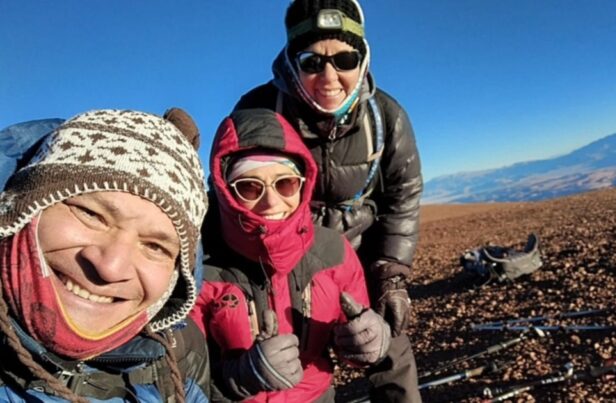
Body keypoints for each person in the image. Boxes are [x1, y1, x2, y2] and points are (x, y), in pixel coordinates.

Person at [233, 1, 423, 401]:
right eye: (311, 61)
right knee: (285, 369)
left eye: (345, 58)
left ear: (363, 58)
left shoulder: (385, 117)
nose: (330, 75)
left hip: (359, 257)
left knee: (389, 350)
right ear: (291, 60)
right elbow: (235, 192)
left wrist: (390, 274)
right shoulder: (259, 112)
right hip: (280, 261)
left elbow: (403, 196)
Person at [0, 109, 210, 402]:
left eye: (155, 246)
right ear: (18, 208)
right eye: (91, 214)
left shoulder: (172, 371)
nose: (111, 267)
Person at [189, 108, 391, 402]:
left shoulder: (333, 251)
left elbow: (349, 339)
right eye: (249, 186)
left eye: (286, 183)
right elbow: (180, 375)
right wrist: (241, 377)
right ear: (225, 191)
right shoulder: (198, 266)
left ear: (303, 184)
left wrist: (367, 341)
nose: (271, 201)